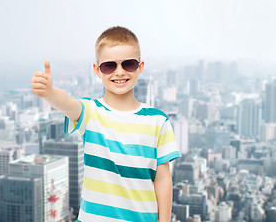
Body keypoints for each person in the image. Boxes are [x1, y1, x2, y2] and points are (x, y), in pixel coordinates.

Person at [31, 26, 181, 222]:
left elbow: (162, 179)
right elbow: (68, 103)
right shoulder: (91, 112)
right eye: (109, 66)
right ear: (97, 70)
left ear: (140, 67)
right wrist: (50, 93)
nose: (119, 72)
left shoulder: (158, 120)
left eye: (128, 64)